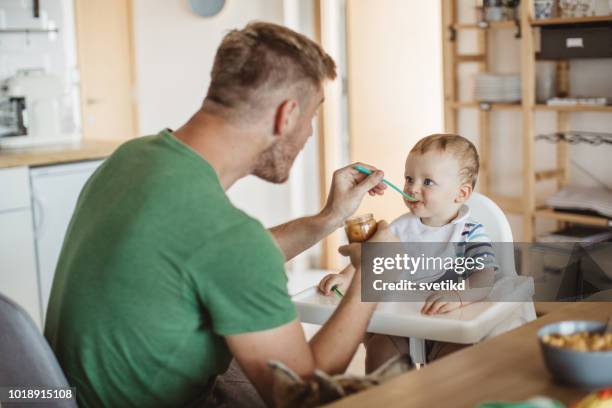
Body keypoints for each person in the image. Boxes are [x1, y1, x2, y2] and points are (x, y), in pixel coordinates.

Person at [44, 22, 395, 407]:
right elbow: (303, 394)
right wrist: (374, 273)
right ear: (287, 115)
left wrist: (329, 217)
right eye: (312, 116)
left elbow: (212, 259)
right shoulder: (228, 239)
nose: (310, 134)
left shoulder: (131, 157)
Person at [319, 134, 503, 371]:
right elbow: (371, 260)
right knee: (380, 349)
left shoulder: (469, 233)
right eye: (409, 178)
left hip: (447, 326)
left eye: (427, 182)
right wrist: (345, 277)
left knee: (456, 362)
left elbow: (484, 278)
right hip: (401, 323)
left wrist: (459, 296)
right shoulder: (399, 228)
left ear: (461, 194)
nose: (412, 188)